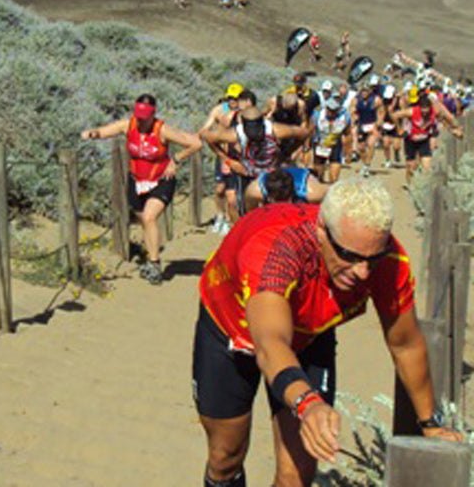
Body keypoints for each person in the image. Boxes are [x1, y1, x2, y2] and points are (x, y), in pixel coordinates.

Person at [194, 178, 462, 487]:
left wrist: (430, 424)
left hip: (309, 335)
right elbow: (270, 343)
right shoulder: (277, 251)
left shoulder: (386, 259)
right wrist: (307, 403)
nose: (363, 272)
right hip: (231, 331)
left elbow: (405, 345)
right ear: (322, 230)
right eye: (349, 256)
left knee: (297, 475)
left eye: (371, 259)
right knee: (225, 456)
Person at [81, 94, 201, 284]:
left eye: (145, 117)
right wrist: (92, 133)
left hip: (162, 179)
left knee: (149, 217)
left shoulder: (162, 130)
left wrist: (175, 160)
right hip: (137, 180)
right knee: (142, 219)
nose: (141, 120)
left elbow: (196, 143)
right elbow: (104, 132)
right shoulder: (128, 125)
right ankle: (149, 254)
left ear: (153, 114)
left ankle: (154, 264)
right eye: (138, 115)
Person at [200, 106, 311, 216]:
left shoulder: (276, 130)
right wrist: (229, 161)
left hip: (272, 173)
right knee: (239, 207)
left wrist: (287, 153)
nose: (254, 136)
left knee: (277, 207)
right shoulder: (234, 134)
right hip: (247, 172)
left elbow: (304, 133)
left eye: (257, 133)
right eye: (250, 134)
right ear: (243, 127)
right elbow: (207, 137)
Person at [388, 87, 464, 181]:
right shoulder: (411, 111)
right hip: (411, 140)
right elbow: (394, 115)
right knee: (411, 167)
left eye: (426, 112)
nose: (424, 114)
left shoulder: (435, 111)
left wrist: (453, 130)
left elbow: (444, 120)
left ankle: (423, 189)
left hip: (424, 141)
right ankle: (410, 186)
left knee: (426, 167)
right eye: (423, 111)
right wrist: (399, 129)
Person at [201, 84, 246, 233]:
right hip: (222, 155)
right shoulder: (220, 110)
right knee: (220, 189)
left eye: (236, 98)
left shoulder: (244, 113)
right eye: (230, 98)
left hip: (237, 158)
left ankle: (230, 220)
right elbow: (205, 128)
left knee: (233, 194)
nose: (232, 101)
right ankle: (220, 216)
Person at [247, 166, 328, 210]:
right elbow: (250, 214)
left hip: (303, 178)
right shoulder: (254, 191)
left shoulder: (313, 192)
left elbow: (337, 193)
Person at [310, 97, 351, 184]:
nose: (331, 113)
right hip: (320, 143)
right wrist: (307, 146)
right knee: (318, 176)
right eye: (329, 110)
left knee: (334, 178)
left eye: (334, 110)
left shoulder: (345, 117)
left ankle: (332, 187)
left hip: (335, 144)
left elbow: (347, 134)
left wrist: (348, 152)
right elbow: (311, 130)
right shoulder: (317, 114)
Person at [353, 79, 382, 177]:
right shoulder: (356, 99)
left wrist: (377, 125)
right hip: (361, 124)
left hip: (372, 124)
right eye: (362, 91)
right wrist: (354, 119)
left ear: (370, 91)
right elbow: (352, 111)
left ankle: (367, 166)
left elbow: (381, 113)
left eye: (366, 91)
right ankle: (365, 163)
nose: (364, 93)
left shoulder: (376, 100)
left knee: (370, 144)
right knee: (361, 148)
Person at [379, 83, 403, 168]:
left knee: (396, 145)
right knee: (386, 144)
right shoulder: (383, 101)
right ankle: (388, 160)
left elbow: (403, 110)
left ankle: (396, 153)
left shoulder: (400, 101)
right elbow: (381, 112)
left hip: (396, 125)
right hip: (386, 124)